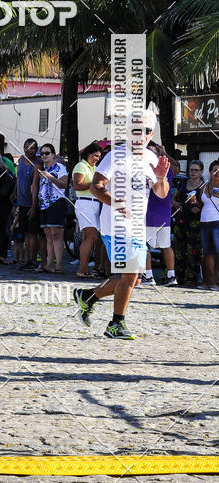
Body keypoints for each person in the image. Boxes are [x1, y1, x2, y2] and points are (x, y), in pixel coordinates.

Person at [73, 110, 169, 340]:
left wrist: (161, 178)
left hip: (137, 225)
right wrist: (115, 203)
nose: (141, 134)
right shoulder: (115, 156)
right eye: (136, 130)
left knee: (134, 278)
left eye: (146, 131)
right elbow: (96, 186)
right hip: (115, 225)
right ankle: (116, 324)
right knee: (130, 274)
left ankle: (88, 296)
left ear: (152, 134)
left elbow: (161, 193)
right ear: (128, 131)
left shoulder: (151, 158)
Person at [141, 142, 178, 286]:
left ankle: (148, 275)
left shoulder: (147, 168)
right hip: (164, 212)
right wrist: (164, 152)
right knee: (165, 244)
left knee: (145, 245)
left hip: (150, 210)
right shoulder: (167, 168)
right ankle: (171, 276)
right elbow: (176, 167)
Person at [171, 159, 204, 288]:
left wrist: (198, 206)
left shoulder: (203, 185)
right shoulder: (182, 183)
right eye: (191, 170)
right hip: (181, 218)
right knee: (178, 248)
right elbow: (173, 198)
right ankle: (179, 276)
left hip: (195, 221)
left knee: (193, 250)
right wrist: (175, 204)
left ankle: (192, 278)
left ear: (201, 172)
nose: (193, 172)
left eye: (196, 170)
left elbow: (205, 203)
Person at [72, 142, 102, 278]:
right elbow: (77, 185)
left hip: (94, 203)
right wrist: (94, 184)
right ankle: (82, 269)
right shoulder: (81, 166)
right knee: (91, 236)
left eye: (99, 156)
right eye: (95, 156)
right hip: (85, 203)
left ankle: (84, 269)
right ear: (88, 154)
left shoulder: (94, 168)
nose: (97, 159)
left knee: (88, 237)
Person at [36, 143, 68, 273]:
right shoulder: (43, 168)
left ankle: (59, 265)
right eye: (42, 153)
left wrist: (49, 177)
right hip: (44, 204)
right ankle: (49, 264)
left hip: (56, 202)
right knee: (48, 234)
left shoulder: (60, 167)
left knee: (56, 234)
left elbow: (64, 184)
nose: (44, 155)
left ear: (53, 154)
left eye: (47, 153)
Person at [13, 138, 42, 270]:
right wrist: (14, 192)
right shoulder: (21, 160)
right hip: (21, 202)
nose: (29, 150)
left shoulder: (37, 164)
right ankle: (28, 260)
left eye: (32, 148)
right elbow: (18, 178)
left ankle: (32, 260)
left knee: (32, 233)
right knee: (25, 233)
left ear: (36, 150)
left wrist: (34, 206)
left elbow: (35, 186)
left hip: (32, 203)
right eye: (27, 147)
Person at [200, 160, 219, 291]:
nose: (217, 172)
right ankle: (209, 281)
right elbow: (201, 203)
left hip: (218, 222)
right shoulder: (204, 185)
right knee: (207, 253)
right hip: (204, 222)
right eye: (214, 170)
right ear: (210, 172)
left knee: (218, 252)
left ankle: (216, 281)